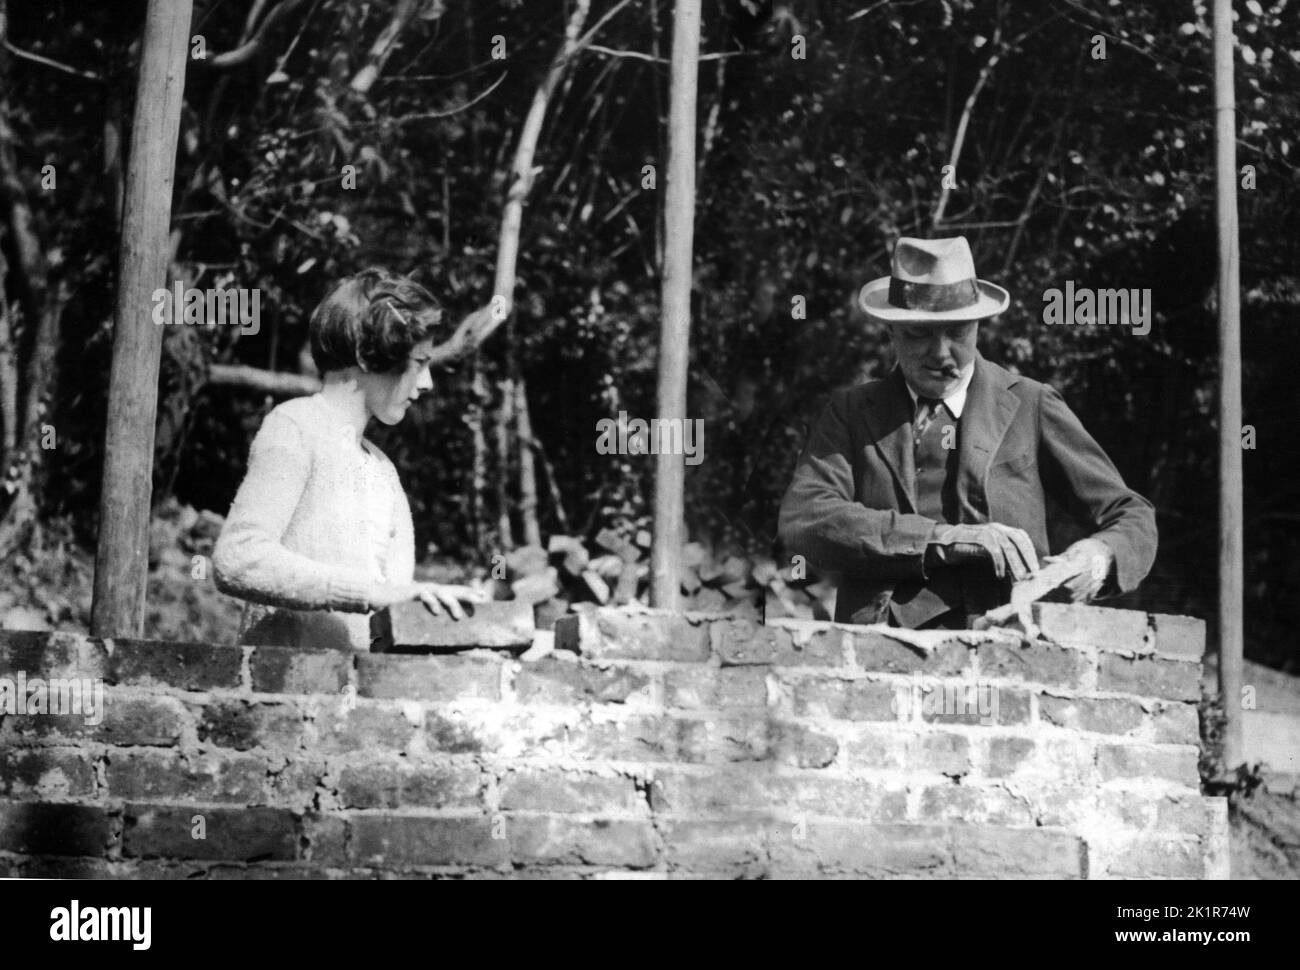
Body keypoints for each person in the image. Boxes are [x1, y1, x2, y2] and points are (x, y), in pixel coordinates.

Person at [777, 236, 1158, 629]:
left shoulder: (1031, 405)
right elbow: (805, 518)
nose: (941, 353)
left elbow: (1131, 514)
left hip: (1008, 645)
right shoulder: (852, 413)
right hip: (880, 653)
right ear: (891, 332)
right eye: (919, 334)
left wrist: (1099, 556)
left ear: (978, 325)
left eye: (957, 332)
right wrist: (940, 540)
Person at [213, 268, 485, 650]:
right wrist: (368, 592)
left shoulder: (383, 471)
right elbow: (237, 558)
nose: (427, 384)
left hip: (358, 697)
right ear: (369, 355)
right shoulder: (295, 426)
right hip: (281, 691)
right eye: (419, 363)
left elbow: (391, 615)